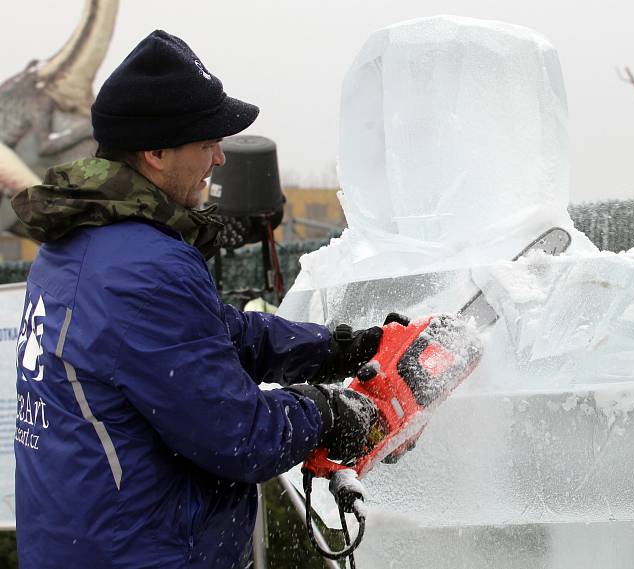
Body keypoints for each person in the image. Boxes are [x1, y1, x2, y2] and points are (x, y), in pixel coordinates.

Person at [11, 30, 383, 569]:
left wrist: (340, 348)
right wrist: (324, 412)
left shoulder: (77, 245)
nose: (220, 158)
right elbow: (241, 435)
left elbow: (211, 333)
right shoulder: (146, 269)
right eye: (206, 141)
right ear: (156, 152)